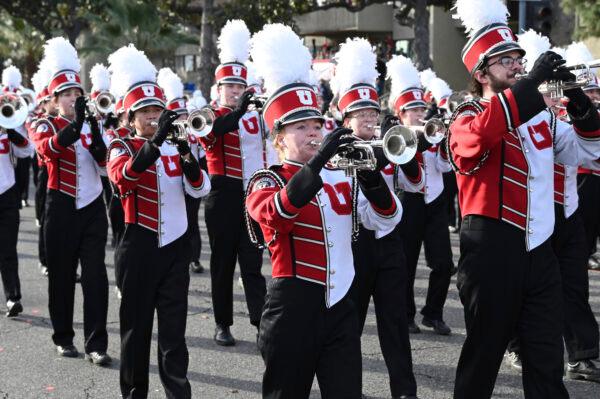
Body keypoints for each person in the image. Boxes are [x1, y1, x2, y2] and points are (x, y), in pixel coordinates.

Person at [450, 2, 600, 397]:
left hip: (540, 253)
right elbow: (478, 138)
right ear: (481, 73)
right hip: (490, 252)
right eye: (505, 61)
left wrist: (580, 102)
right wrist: (530, 85)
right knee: (482, 360)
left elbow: (587, 151)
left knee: (546, 362)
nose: (517, 66)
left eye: (519, 59)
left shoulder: (541, 118)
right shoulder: (467, 113)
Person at [246, 23, 402, 398]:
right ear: (279, 137)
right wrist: (316, 167)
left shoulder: (341, 176)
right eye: (302, 127)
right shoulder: (265, 179)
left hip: (342, 308)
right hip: (292, 309)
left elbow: (385, 218)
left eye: (317, 125)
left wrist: (371, 177)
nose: (314, 134)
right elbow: (276, 217)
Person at [107, 44, 210, 399]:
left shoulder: (177, 145)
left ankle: (178, 393)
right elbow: (123, 179)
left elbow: (200, 188)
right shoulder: (120, 146)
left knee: (173, 334)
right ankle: (135, 393)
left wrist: (186, 154)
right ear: (131, 118)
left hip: (175, 248)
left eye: (157, 110)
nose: (153, 117)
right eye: (145, 112)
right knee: (135, 330)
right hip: (138, 247)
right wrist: (156, 143)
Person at [504, 31, 600, 382]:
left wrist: (577, 99)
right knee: (524, 285)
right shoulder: (521, 110)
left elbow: (591, 148)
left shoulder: (564, 111)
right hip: (530, 209)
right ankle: (516, 344)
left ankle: (582, 354)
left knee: (574, 284)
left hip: (568, 206)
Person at [332, 37, 421, 399]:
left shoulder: (389, 143)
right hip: (353, 247)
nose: (369, 119)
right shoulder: (333, 150)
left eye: (373, 113)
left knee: (395, 324)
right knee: (348, 327)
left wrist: (405, 153)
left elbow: (415, 185)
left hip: (388, 245)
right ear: (346, 118)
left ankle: (405, 390)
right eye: (361, 114)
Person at [33, 37, 110, 364]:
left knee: (96, 278)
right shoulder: (43, 123)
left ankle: (96, 344)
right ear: (54, 99)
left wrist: (93, 133)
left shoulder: (94, 125)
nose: (73, 99)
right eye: (66, 95)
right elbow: (47, 150)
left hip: (92, 207)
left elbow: (107, 165)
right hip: (61, 205)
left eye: (77, 94)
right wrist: (77, 125)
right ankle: (64, 337)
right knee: (62, 277)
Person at [201, 20, 269, 346]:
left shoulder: (254, 117)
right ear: (219, 90)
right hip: (222, 193)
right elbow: (213, 134)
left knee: (253, 263)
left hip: (251, 195)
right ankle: (222, 323)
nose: (234, 91)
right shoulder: (209, 115)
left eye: (239, 86)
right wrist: (240, 111)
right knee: (222, 263)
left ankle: (260, 324)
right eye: (229, 87)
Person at [387, 55, 455, 335]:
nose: (418, 114)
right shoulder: (395, 138)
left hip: (435, 201)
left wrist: (440, 143)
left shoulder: (430, 133)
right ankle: (406, 315)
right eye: (411, 110)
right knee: (407, 263)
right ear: (400, 115)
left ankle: (433, 313)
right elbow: (404, 177)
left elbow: (444, 167)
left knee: (444, 263)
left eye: (420, 108)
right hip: (409, 202)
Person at [0, 94, 33, 317]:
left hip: (7, 195)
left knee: (8, 250)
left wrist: (10, 130)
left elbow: (27, 150)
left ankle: (13, 298)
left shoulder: (7, 134)